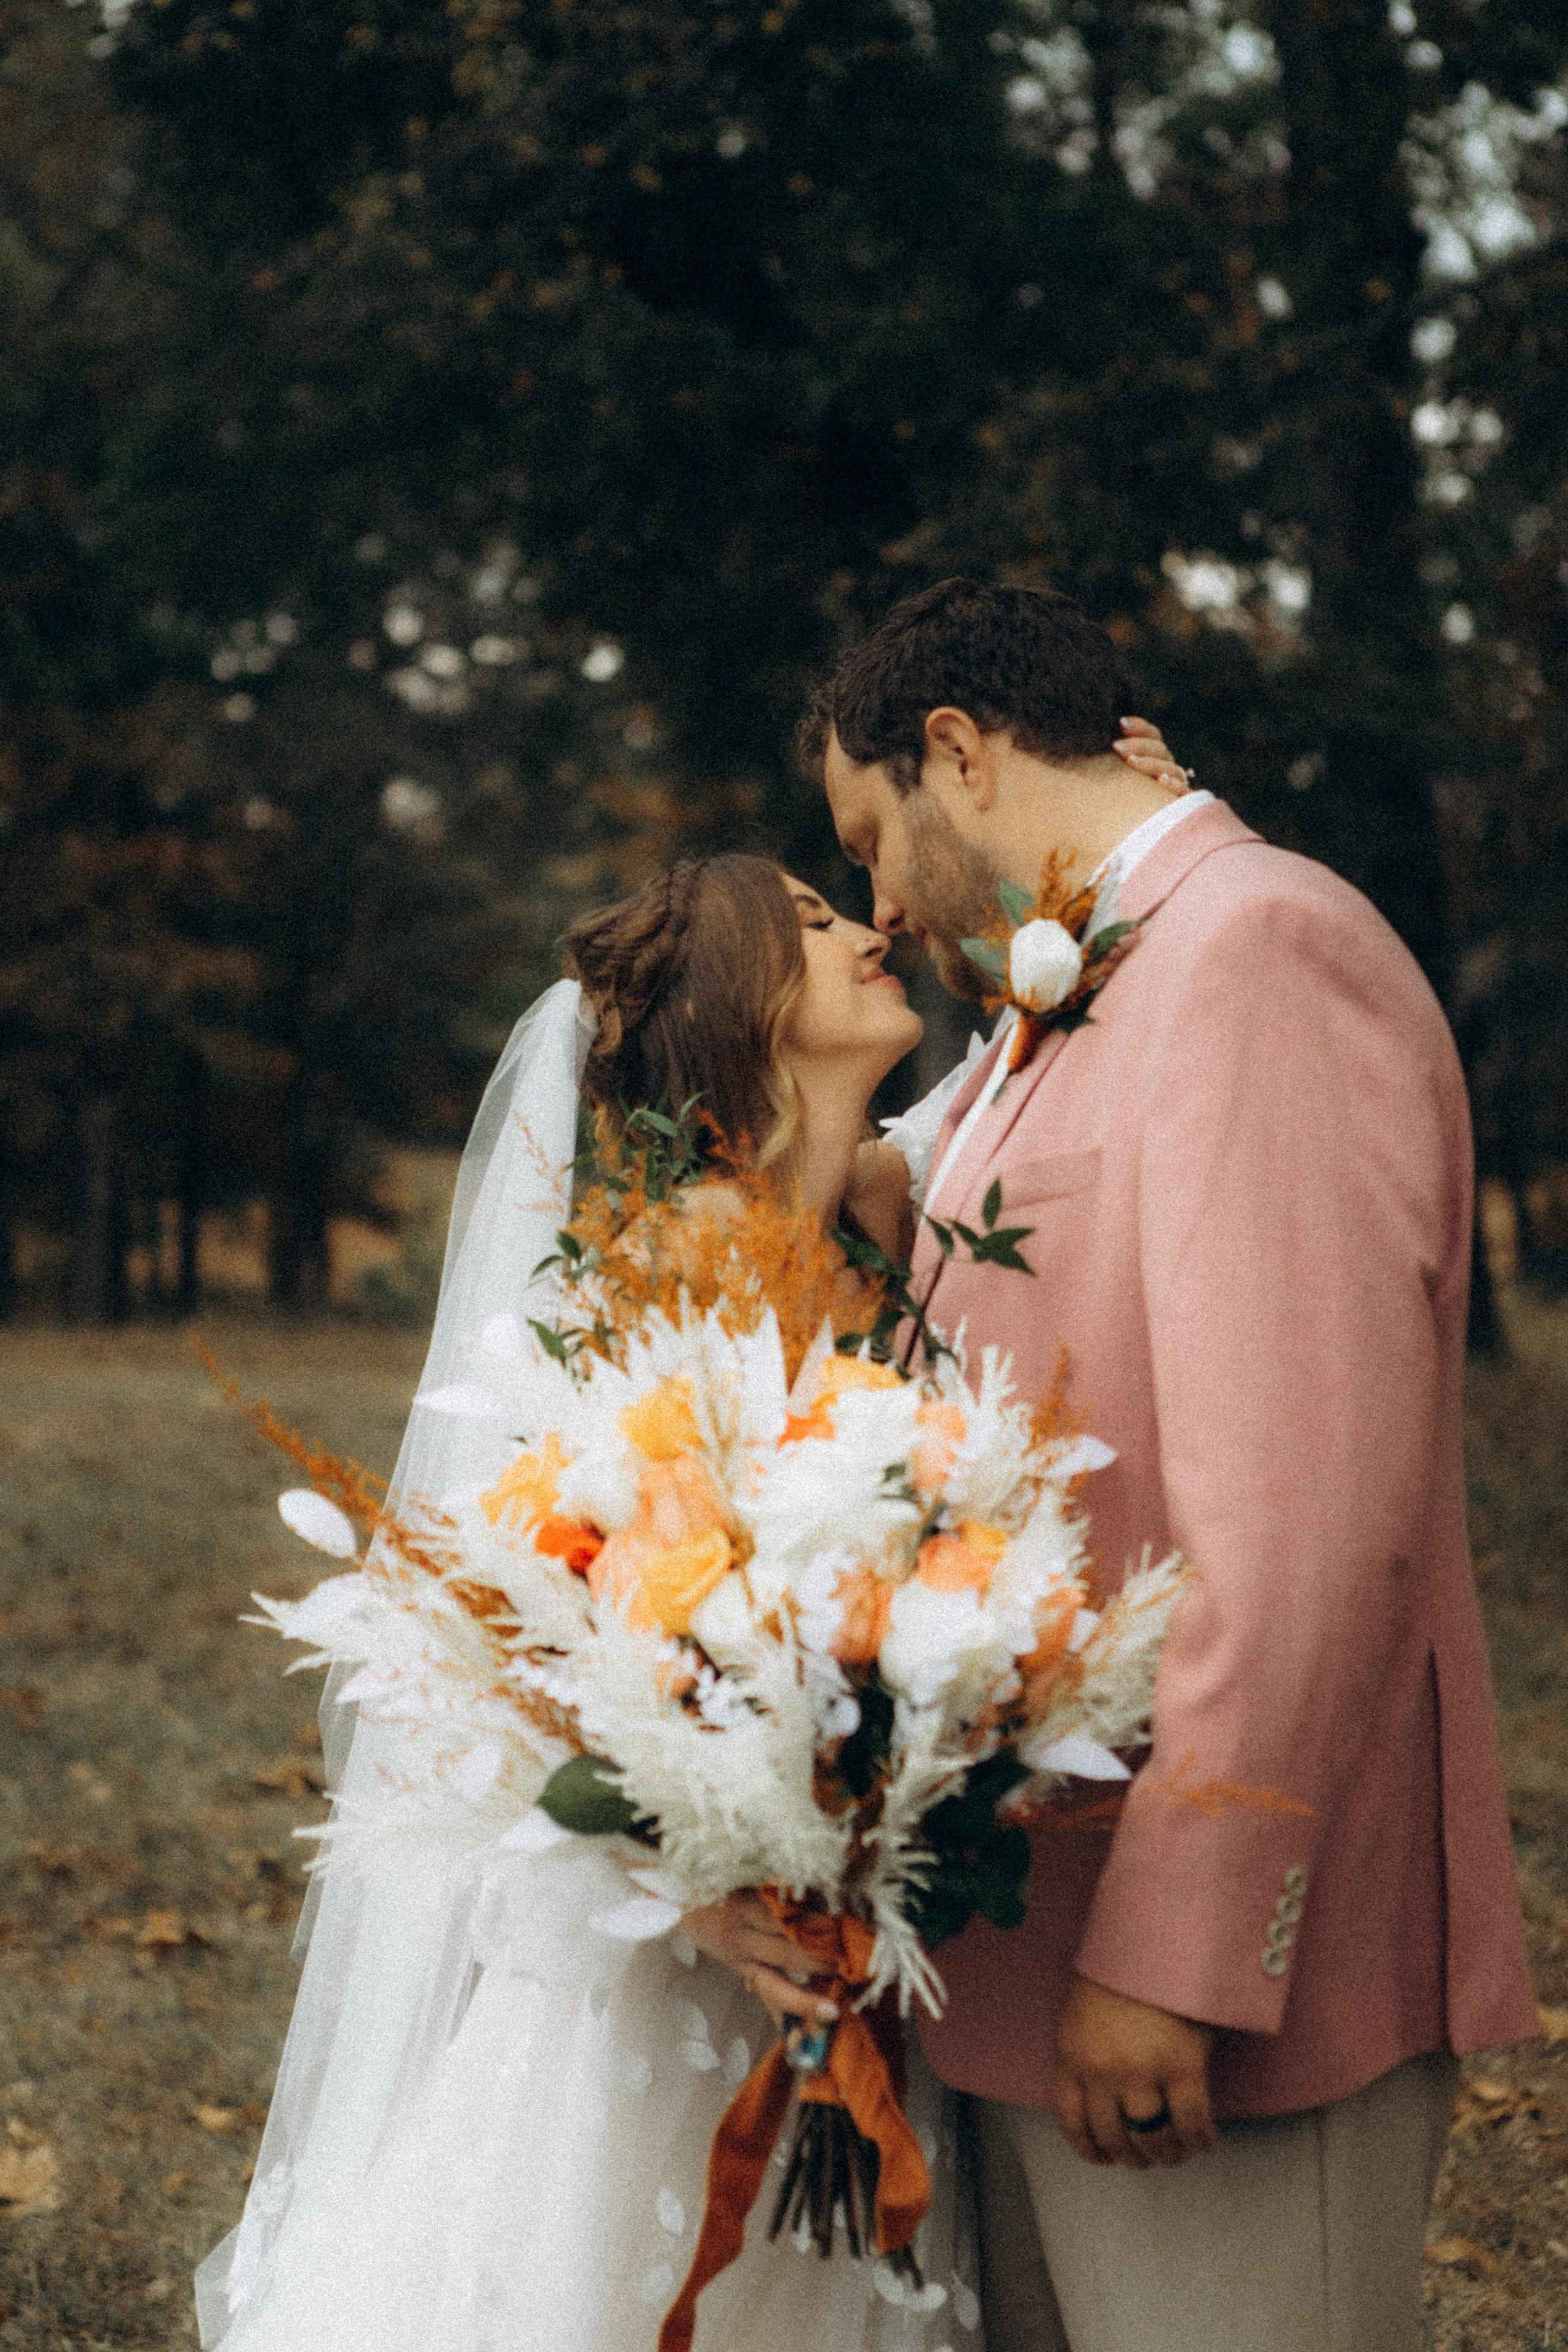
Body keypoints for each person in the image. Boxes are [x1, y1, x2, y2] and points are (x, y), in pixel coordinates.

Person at [803, 576, 1539, 2352]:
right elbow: (890, 1208)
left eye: (869, 840)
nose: (882, 907)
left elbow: (1300, 1532)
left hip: (1201, 1984)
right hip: (1027, 1946)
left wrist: (1176, 1954)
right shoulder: (1072, 994)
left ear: (960, 755)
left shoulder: (1260, 955)